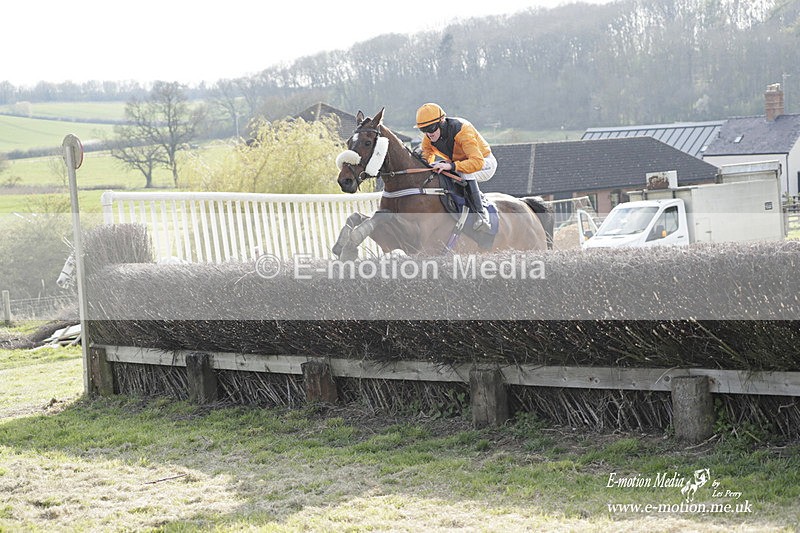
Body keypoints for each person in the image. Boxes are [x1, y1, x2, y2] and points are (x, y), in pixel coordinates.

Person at [415, 102, 497, 231]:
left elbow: (477, 162)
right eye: (424, 130)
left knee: (464, 173)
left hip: (485, 162)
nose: (429, 134)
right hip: (459, 163)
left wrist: (452, 166)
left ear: (441, 122)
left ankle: (481, 217)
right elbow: (427, 159)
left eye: (431, 128)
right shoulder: (428, 138)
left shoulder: (462, 130)